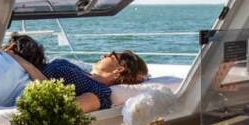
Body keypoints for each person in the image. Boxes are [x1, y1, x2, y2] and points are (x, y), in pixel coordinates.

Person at [8, 50, 149, 112]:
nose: (104, 55)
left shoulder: (100, 92)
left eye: (111, 55)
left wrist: (24, 63)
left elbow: (61, 108)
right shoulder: (86, 74)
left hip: (15, 82)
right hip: (18, 70)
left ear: (119, 69)